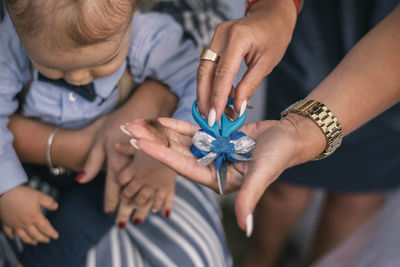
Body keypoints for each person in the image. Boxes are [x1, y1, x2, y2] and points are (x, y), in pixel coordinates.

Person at [124, 1, 400, 265]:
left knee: (357, 195)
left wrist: (299, 132)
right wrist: (275, 6)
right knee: (285, 188)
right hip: (312, 26)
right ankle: (263, 257)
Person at [0, 0, 231, 266]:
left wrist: (169, 151)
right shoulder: (13, 39)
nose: (78, 78)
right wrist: (7, 189)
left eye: (102, 63)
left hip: (112, 166)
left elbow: (199, 82)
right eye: (54, 67)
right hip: (23, 158)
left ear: (133, 15)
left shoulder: (151, 37)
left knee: (79, 224)